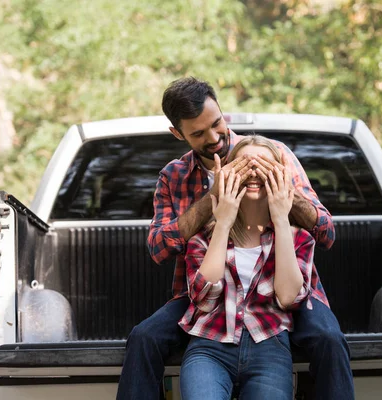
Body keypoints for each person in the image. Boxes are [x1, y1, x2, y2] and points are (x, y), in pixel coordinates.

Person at [116, 77, 355, 400]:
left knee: (329, 338)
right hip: (205, 292)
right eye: (199, 134)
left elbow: (325, 232)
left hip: (282, 284)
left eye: (217, 124)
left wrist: (283, 191)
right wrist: (211, 201)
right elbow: (159, 249)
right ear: (178, 134)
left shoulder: (273, 154)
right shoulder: (173, 176)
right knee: (144, 337)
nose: (214, 137)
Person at [179, 135, 313, 399]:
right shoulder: (203, 238)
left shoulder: (298, 238)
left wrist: (281, 218)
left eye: (264, 166)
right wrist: (223, 223)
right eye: (244, 165)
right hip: (209, 345)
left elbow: (287, 297)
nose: (254, 173)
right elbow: (204, 299)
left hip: (269, 347)